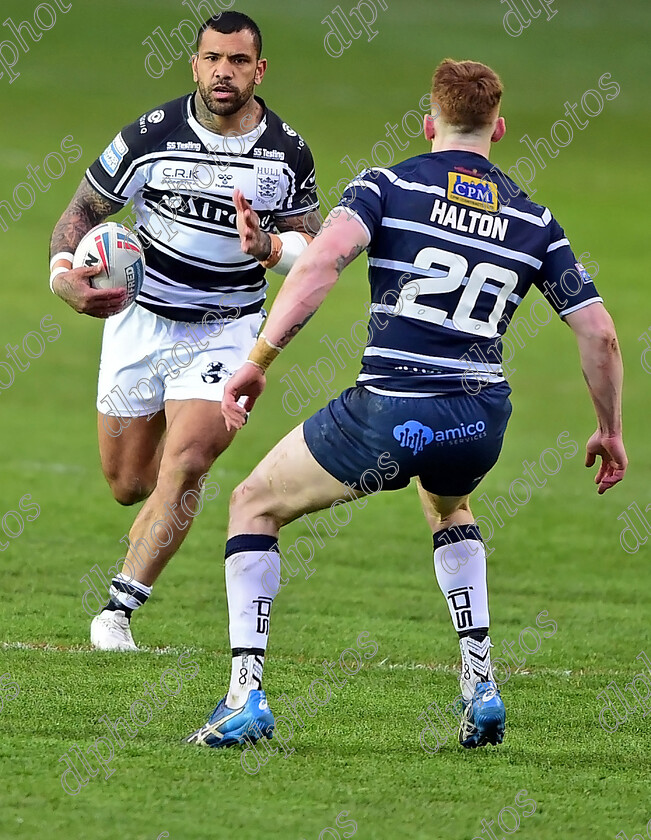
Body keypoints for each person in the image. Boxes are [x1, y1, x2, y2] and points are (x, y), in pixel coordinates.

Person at [184, 59, 626, 750]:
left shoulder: (387, 185)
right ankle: (480, 685)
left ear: (429, 123)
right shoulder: (534, 219)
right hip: (480, 420)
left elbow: (325, 261)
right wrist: (608, 430)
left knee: (252, 503)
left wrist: (258, 359)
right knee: (448, 505)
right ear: (498, 129)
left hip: (390, 409)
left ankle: (244, 697)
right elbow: (598, 331)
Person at [49, 11, 320, 651]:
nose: (223, 71)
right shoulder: (150, 136)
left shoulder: (286, 152)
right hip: (137, 324)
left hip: (227, 331)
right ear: (195, 63)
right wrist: (65, 275)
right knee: (129, 483)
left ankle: (117, 612)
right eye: (211, 58)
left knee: (190, 459)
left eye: (237, 60)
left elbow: (312, 246)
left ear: (259, 69)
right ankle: (164, 482)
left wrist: (269, 246)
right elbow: (82, 212)